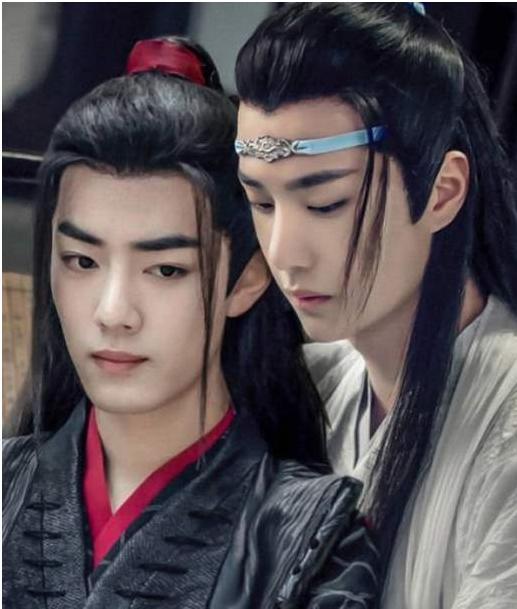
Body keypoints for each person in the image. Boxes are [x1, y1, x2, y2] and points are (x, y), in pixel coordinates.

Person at [2, 37, 379, 609]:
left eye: (166, 269)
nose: (113, 312)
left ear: (248, 279)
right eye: (82, 261)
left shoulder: (318, 541)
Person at [234, 3, 517, 608]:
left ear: (441, 193)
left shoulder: (507, 416)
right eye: (262, 203)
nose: (284, 253)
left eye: (326, 204)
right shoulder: (309, 388)